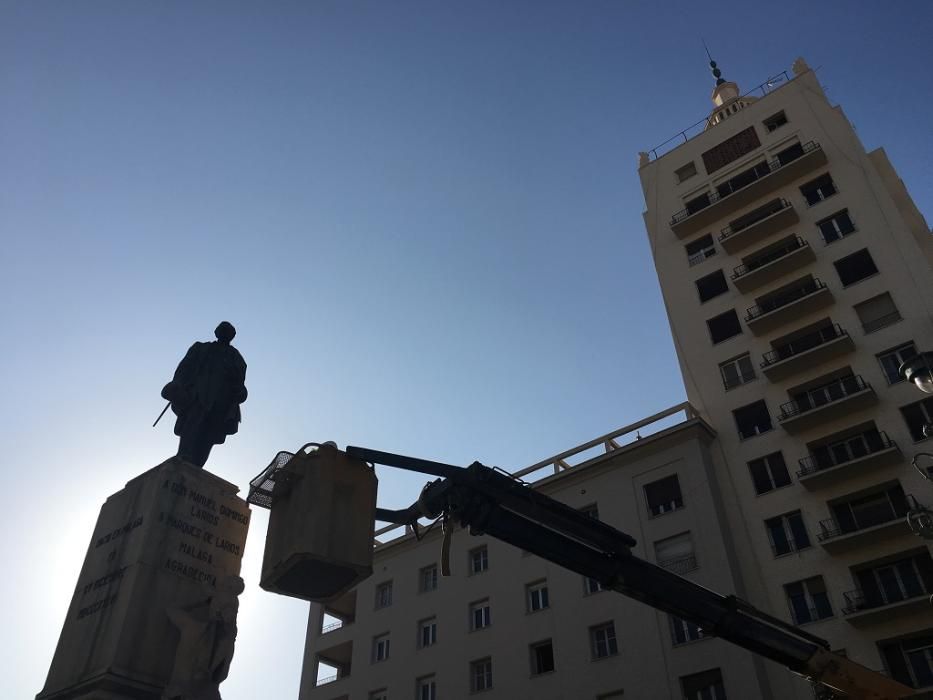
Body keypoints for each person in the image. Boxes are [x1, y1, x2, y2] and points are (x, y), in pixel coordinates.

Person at [161, 322, 247, 467]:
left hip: (221, 401)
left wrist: (239, 390)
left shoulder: (237, 358)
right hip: (199, 393)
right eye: (222, 330)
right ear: (216, 332)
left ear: (232, 336)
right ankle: (183, 457)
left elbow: (239, 382)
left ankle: (198, 465)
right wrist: (177, 383)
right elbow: (184, 367)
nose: (225, 334)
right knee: (192, 424)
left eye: (228, 332)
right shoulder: (201, 348)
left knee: (210, 434)